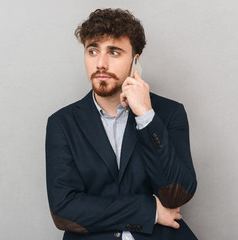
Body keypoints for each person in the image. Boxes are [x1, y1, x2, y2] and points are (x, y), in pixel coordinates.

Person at [46, 8, 197, 240]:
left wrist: (146, 115)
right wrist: (149, 211)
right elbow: (64, 211)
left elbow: (176, 195)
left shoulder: (169, 113)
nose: (101, 64)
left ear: (135, 62)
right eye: (93, 51)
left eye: (114, 52)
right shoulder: (61, 123)